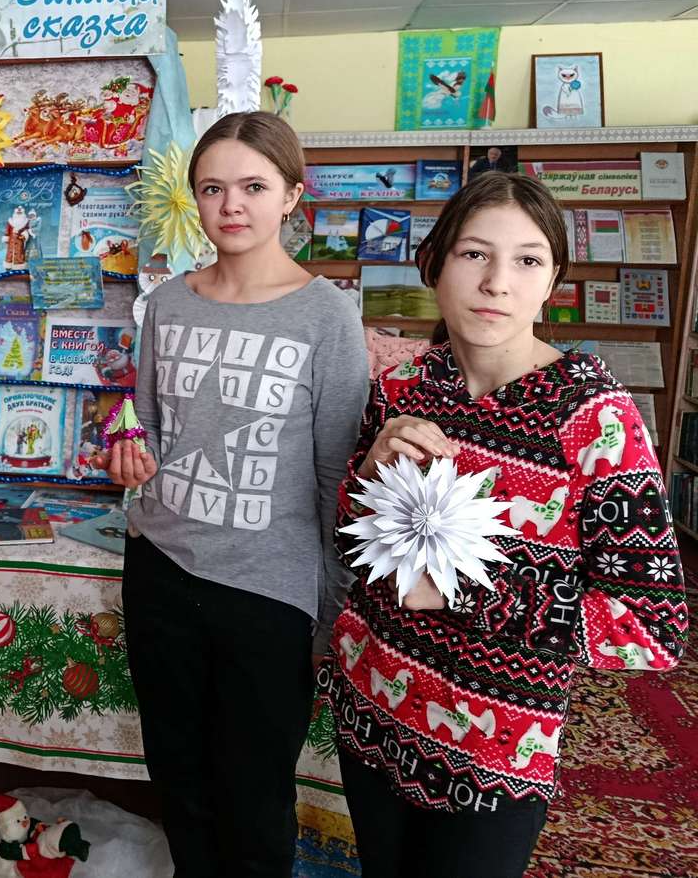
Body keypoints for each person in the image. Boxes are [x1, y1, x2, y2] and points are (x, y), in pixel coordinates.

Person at [320, 172, 689, 878]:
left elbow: (650, 628)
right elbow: (352, 543)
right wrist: (365, 474)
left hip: (493, 752)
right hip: (373, 706)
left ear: (552, 281)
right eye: (474, 254)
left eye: (526, 260)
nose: (497, 283)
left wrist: (464, 591)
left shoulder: (594, 420)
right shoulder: (402, 389)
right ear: (433, 264)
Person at [98, 111, 370, 876]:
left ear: (292, 195)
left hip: (267, 590)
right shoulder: (167, 304)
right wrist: (130, 453)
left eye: (253, 186)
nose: (231, 206)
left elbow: (337, 478)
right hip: (160, 570)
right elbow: (148, 424)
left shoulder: (326, 315)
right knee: (178, 780)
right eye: (212, 188)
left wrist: (331, 611)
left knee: (253, 796)